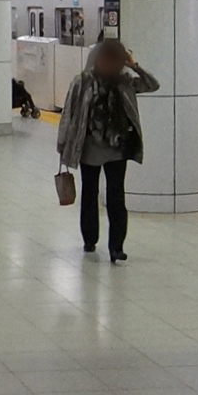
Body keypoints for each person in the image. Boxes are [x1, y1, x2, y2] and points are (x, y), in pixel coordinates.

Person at [57, 40, 157, 261]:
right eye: (105, 60)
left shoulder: (125, 82)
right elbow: (69, 113)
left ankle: (116, 247)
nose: (108, 65)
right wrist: (63, 146)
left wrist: (135, 65)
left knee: (116, 197)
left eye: (114, 61)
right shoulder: (82, 82)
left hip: (117, 149)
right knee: (90, 194)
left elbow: (152, 85)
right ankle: (89, 240)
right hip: (88, 148)